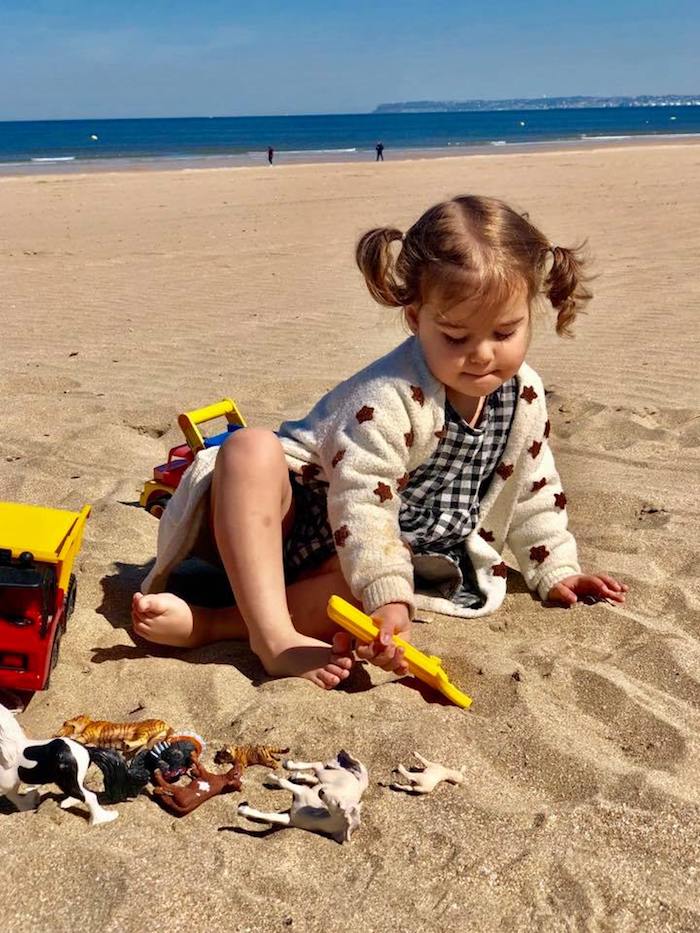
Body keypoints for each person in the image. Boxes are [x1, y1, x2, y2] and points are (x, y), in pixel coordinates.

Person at [132, 195, 628, 690]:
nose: (481, 354)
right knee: (249, 448)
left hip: (361, 556)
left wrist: (555, 570)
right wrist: (388, 594)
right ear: (416, 318)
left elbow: (535, 487)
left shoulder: (524, 396)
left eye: (504, 331)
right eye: (455, 336)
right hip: (278, 523)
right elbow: (362, 500)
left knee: (359, 588)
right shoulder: (388, 397)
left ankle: (215, 624)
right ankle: (273, 638)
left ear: (531, 310)